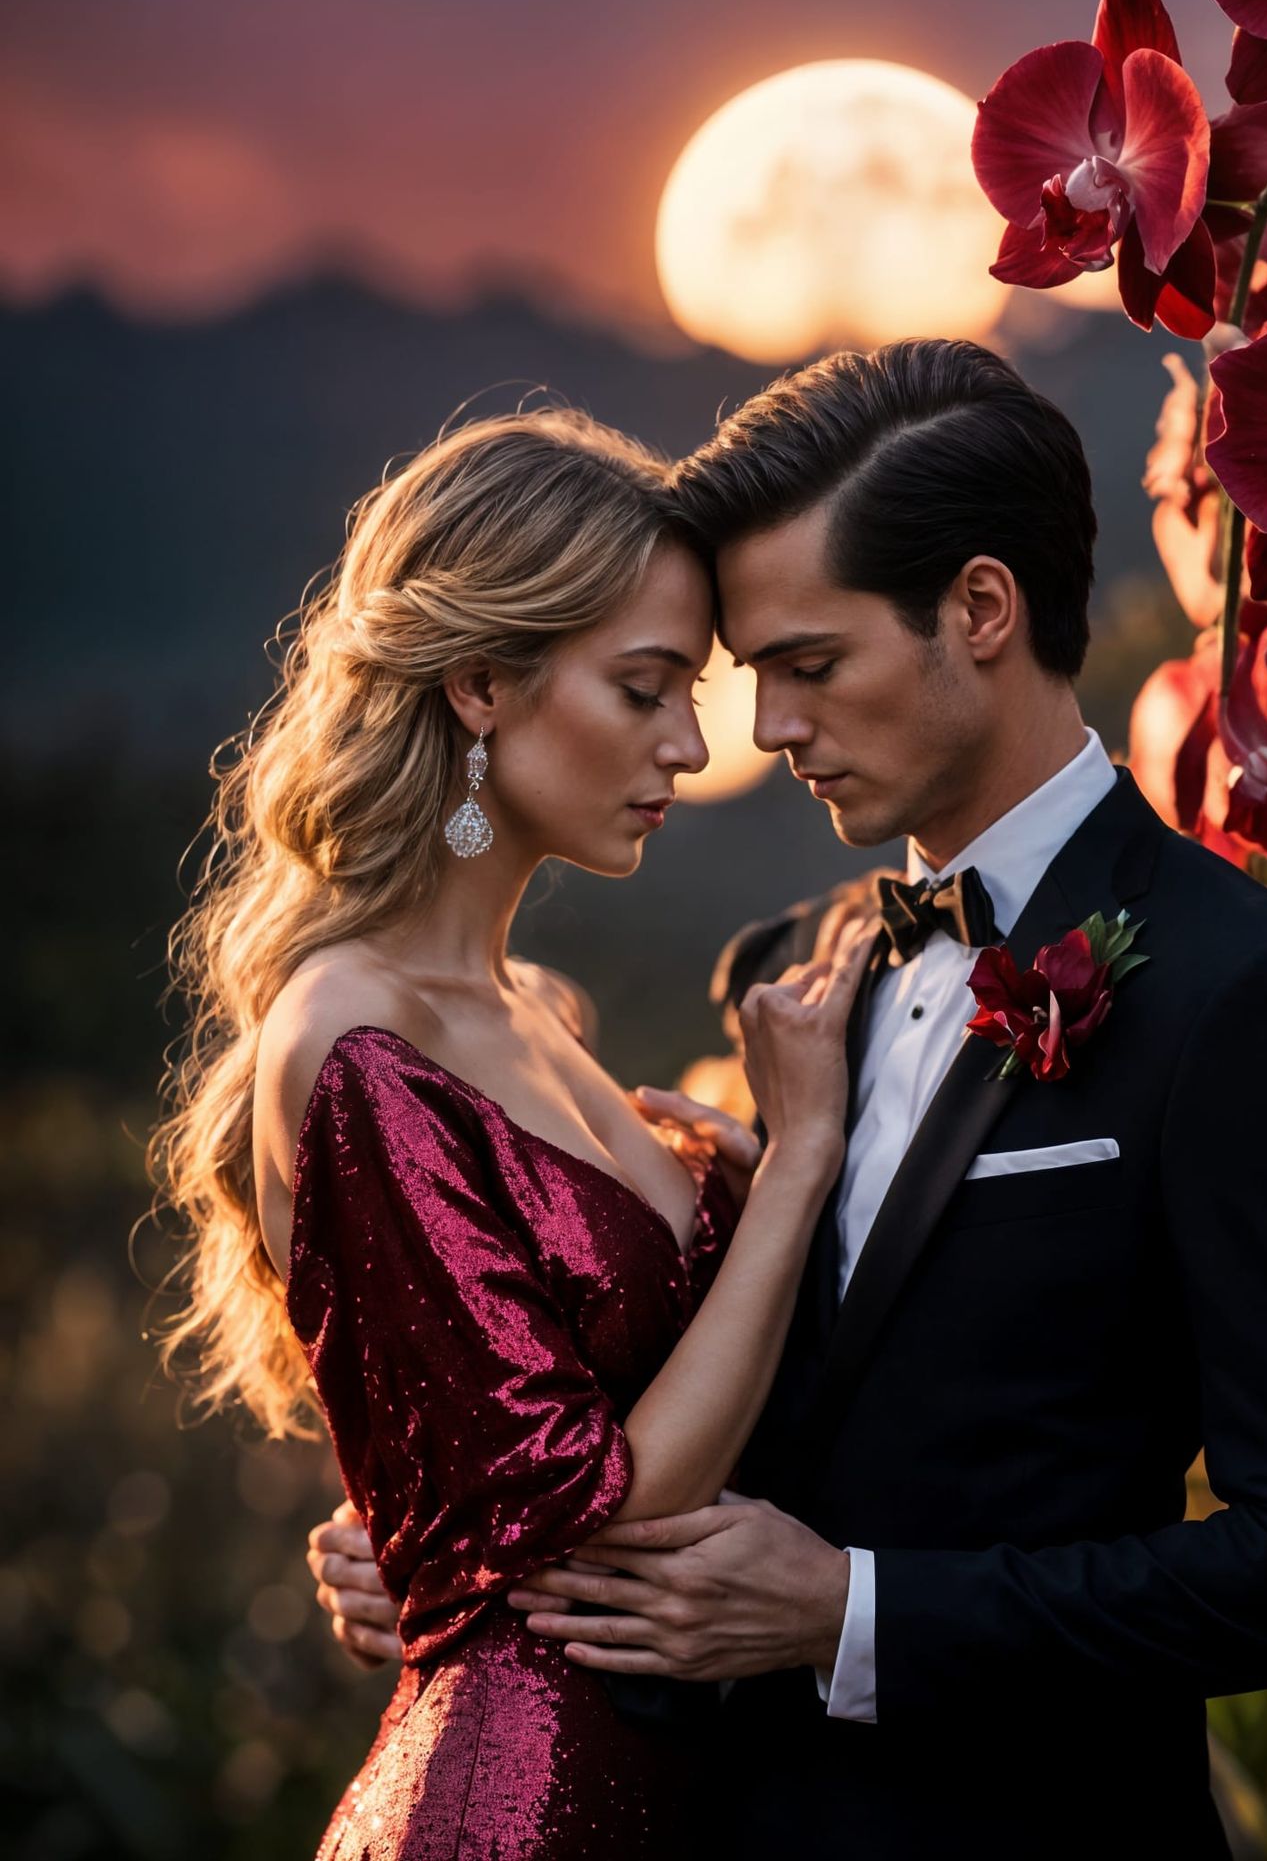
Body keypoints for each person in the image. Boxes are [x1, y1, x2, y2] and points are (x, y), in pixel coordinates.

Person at [309, 341, 1267, 1855]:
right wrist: (456, 1534)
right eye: (745, 670)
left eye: (807, 665)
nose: (763, 729)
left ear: (979, 610)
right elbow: (689, 1397)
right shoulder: (789, 969)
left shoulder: (1246, 999)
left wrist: (857, 1613)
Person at [150, 408, 872, 1858]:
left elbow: (482, 1452)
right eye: (644, 687)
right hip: (515, 1815)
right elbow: (582, 1512)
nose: (690, 743)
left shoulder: (533, 1008)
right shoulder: (358, 1045)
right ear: (481, 681)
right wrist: (794, 1167)